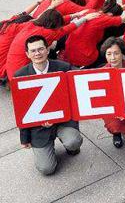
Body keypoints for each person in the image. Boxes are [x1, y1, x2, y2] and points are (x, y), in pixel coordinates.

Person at [15, 35, 83, 175]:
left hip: (64, 121)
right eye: (33, 51)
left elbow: (83, 80)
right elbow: (21, 111)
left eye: (41, 49)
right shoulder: (20, 76)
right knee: (46, 169)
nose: (37, 53)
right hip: (38, 128)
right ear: (27, 54)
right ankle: (48, 151)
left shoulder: (64, 67)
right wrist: (24, 138)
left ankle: (71, 147)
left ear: (47, 49)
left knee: (73, 141)